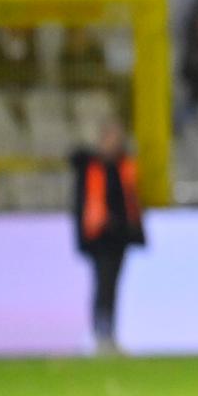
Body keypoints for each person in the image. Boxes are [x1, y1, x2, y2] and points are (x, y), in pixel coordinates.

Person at [69, 119, 144, 354]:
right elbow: (83, 204)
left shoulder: (123, 166)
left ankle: (109, 334)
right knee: (102, 285)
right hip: (99, 237)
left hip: (119, 237)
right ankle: (100, 335)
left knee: (112, 286)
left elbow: (131, 201)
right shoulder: (91, 166)